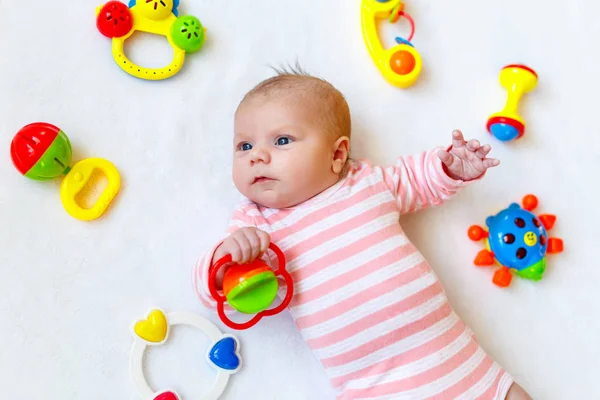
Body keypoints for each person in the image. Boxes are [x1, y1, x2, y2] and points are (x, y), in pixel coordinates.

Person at [193, 68, 532, 399]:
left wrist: (449, 168)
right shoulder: (257, 223)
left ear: (337, 154)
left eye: (282, 140)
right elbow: (218, 295)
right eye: (244, 146)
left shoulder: (365, 182)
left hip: (446, 351)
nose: (257, 157)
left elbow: (414, 180)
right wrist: (226, 261)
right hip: (369, 384)